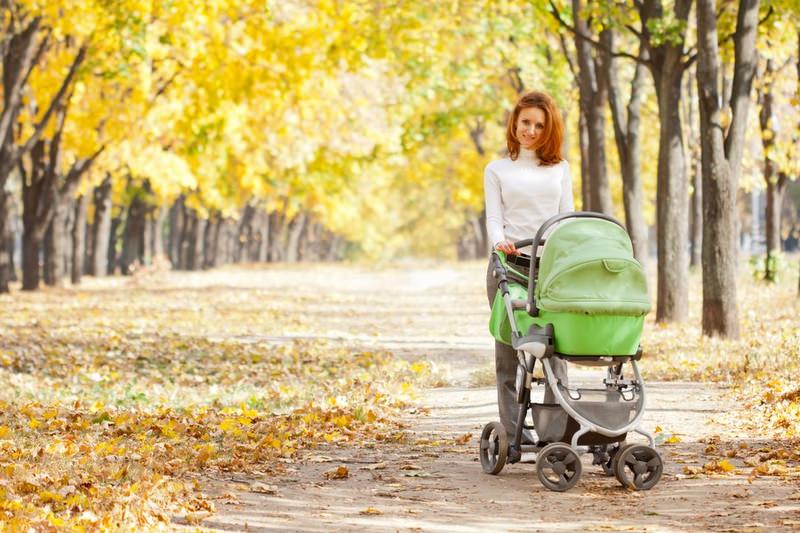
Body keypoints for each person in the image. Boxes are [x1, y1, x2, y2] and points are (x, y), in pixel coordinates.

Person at [483, 90, 574, 447]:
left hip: (549, 268)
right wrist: (499, 242)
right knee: (509, 352)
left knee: (555, 350)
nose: (531, 131)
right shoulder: (497, 169)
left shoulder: (560, 169)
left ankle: (555, 434)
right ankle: (513, 433)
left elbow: (566, 216)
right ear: (514, 123)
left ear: (548, 128)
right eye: (525, 123)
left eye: (539, 125)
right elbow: (494, 218)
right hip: (510, 265)